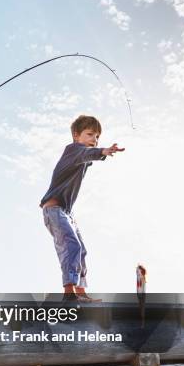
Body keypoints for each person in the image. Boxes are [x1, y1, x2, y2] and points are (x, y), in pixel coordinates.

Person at [40, 115, 124, 300]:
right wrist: (103, 151)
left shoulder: (81, 157)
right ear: (76, 135)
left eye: (97, 137)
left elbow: (87, 156)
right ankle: (69, 293)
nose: (94, 140)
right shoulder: (73, 150)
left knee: (81, 249)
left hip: (65, 213)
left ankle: (81, 291)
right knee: (71, 244)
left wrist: (100, 151)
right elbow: (86, 153)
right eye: (90, 134)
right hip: (53, 210)